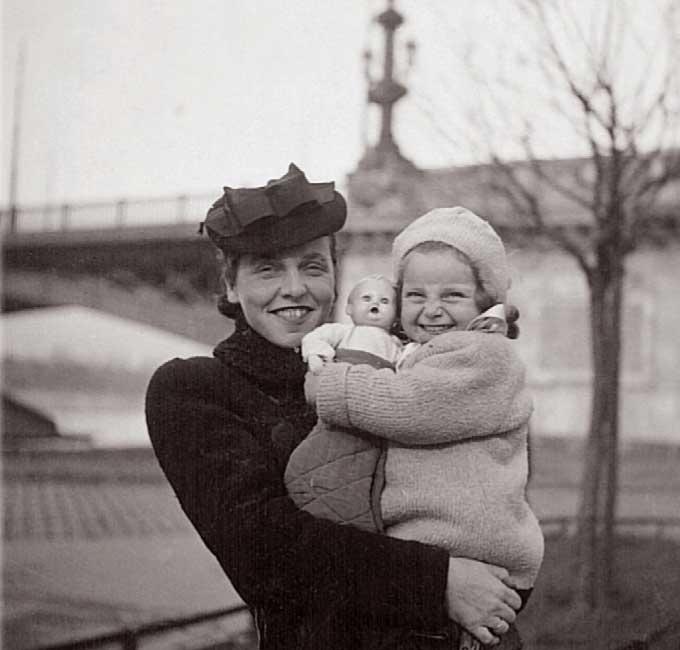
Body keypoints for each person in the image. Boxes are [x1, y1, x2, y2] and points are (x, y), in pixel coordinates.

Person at [145, 164, 523, 650]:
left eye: (312, 265)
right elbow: (263, 554)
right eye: (267, 268)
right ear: (231, 285)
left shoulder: (406, 360)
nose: (295, 287)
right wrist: (441, 582)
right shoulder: (195, 389)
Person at [299, 207, 543, 647]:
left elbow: (409, 406)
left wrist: (330, 386)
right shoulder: (418, 352)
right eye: (415, 295)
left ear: (484, 303)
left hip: (472, 561)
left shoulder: (485, 356)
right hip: (438, 562)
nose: (432, 310)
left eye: (451, 296)